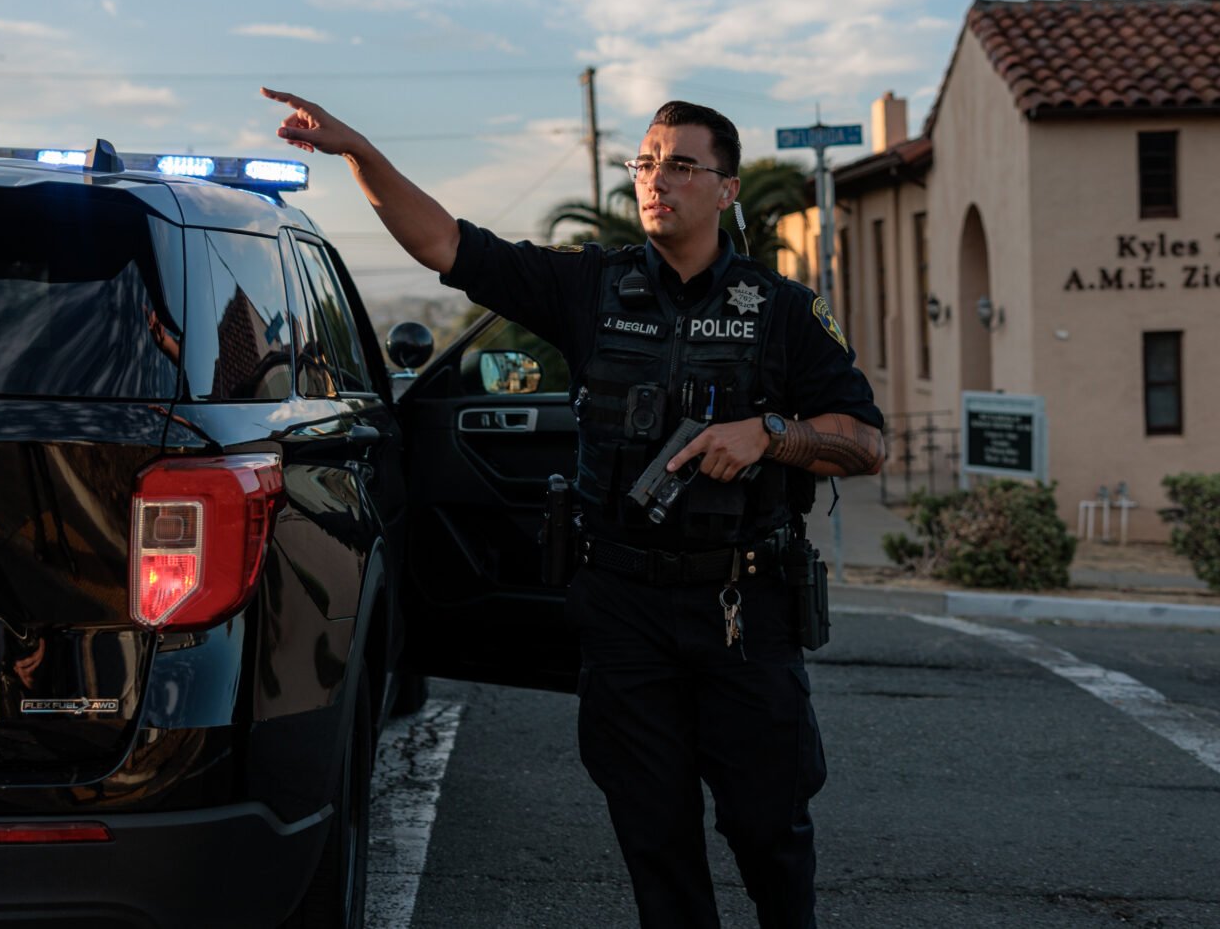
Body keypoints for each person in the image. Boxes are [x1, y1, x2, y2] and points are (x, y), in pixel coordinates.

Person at [262, 86, 885, 929]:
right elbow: (446, 243)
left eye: (681, 165)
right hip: (624, 609)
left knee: (768, 831)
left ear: (727, 190)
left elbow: (865, 441)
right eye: (647, 162)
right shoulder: (591, 285)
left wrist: (771, 434)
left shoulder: (780, 311)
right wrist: (358, 152)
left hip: (744, 612)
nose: (656, 179)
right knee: (654, 840)